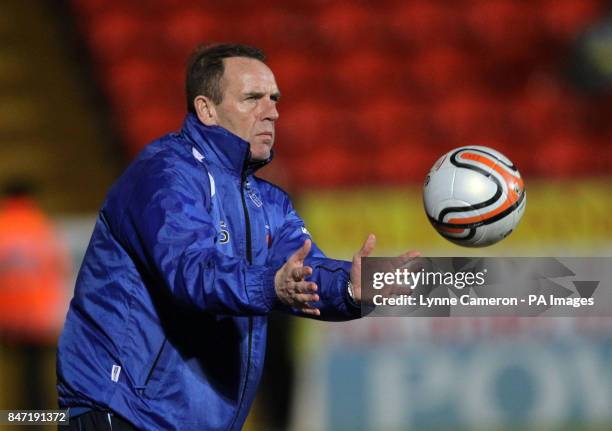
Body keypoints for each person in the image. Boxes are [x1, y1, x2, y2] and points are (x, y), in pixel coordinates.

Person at [57, 43, 417, 430]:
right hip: (121, 410)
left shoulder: (269, 201)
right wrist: (270, 284)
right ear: (206, 109)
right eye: (252, 99)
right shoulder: (164, 175)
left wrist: (349, 287)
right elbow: (192, 273)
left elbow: (304, 268)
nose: (272, 111)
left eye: (274, 99)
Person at [0, 180, 70, 410]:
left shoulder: (3, 226)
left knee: (11, 376)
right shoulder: (41, 226)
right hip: (37, 317)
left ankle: (12, 419)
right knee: (36, 378)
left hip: (7, 316)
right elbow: (59, 268)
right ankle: (35, 420)